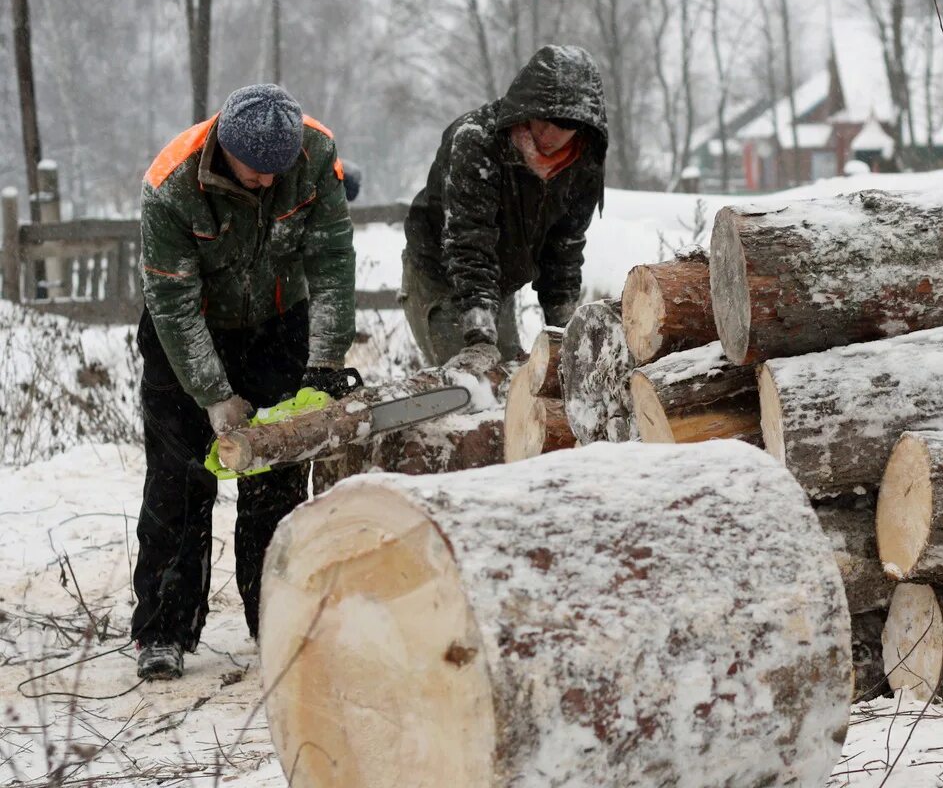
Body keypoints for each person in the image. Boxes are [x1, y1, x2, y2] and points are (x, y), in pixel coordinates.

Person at [133, 84, 355, 680]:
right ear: (226, 148)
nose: (264, 182)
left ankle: (276, 619)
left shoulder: (313, 156)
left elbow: (332, 261)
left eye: (274, 173)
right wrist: (212, 394)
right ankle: (163, 630)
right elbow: (172, 304)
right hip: (188, 331)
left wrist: (324, 365)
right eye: (255, 171)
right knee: (181, 484)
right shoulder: (172, 185)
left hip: (278, 323)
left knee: (276, 486)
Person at [403, 45, 608, 375]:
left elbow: (563, 251)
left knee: (513, 380)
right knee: (471, 384)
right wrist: (479, 333)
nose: (551, 133)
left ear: (582, 126)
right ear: (527, 107)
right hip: (441, 271)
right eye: (545, 119)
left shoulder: (582, 165)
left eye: (565, 124)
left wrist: (565, 329)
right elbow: (469, 240)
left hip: (501, 279)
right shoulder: (476, 142)